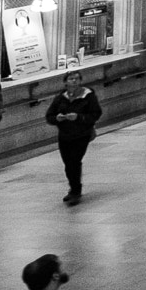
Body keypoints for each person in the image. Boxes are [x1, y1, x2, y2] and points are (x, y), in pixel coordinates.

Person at [43, 72, 100, 206]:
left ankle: (75, 190)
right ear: (65, 82)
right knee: (68, 163)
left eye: (76, 79)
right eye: (71, 79)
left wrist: (79, 117)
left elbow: (96, 113)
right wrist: (57, 118)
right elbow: (49, 115)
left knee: (75, 161)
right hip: (64, 135)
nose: (74, 81)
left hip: (82, 134)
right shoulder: (60, 98)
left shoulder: (88, 96)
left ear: (80, 81)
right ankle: (73, 187)